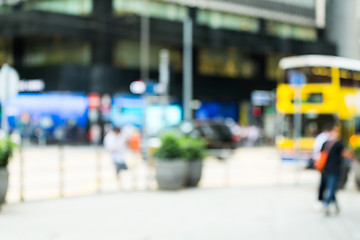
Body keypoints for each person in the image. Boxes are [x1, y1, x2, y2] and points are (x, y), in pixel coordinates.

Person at [321, 125, 353, 215]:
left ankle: (335, 205)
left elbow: (321, 156)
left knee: (331, 187)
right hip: (335, 169)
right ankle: (326, 205)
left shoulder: (325, 143)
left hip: (326, 169)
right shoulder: (338, 144)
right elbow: (345, 155)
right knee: (332, 188)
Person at [312, 123, 332, 210]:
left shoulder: (321, 137)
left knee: (325, 181)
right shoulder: (325, 138)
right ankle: (322, 200)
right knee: (324, 181)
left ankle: (325, 200)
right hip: (323, 163)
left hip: (322, 162)